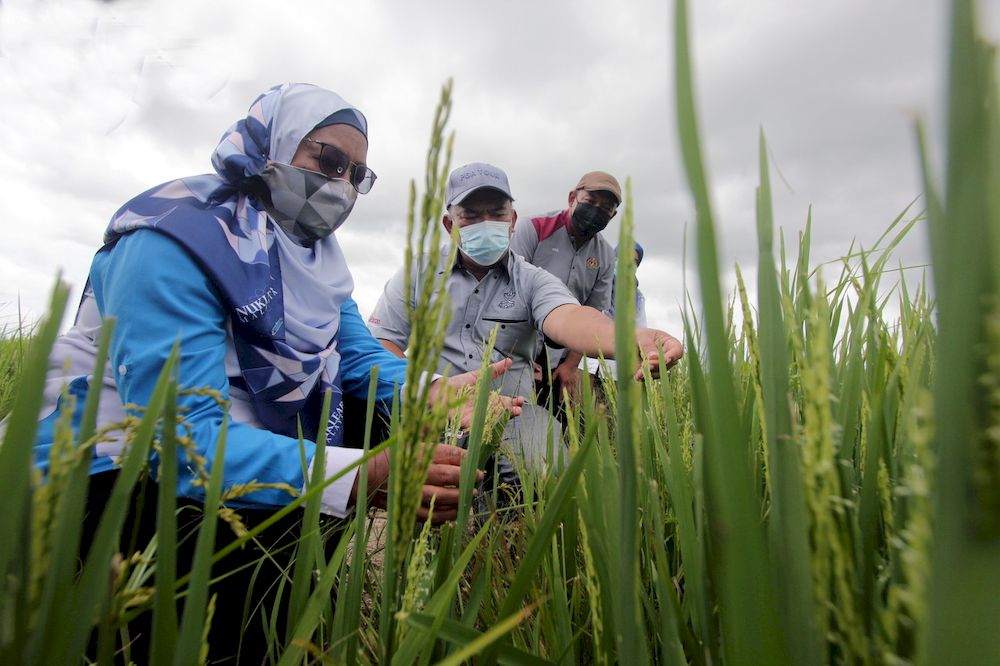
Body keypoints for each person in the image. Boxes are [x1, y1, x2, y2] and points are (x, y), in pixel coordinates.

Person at [21, 84, 518, 663]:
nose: (341, 185)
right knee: (227, 599)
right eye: (327, 160)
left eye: (357, 175)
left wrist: (431, 393)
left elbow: (358, 356)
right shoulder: (174, 239)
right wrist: (361, 476)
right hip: (116, 462)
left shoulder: (316, 261)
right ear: (269, 146)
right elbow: (180, 440)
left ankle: (288, 592)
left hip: (242, 441)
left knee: (377, 415)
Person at [368, 162, 682, 399]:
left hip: (514, 411)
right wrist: (429, 391)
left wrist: (631, 340)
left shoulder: (534, 280)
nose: (486, 223)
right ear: (450, 225)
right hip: (430, 407)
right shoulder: (417, 272)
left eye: (497, 214)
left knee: (544, 458)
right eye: (471, 216)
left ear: (513, 220)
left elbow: (570, 317)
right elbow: (382, 342)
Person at [509, 171, 620, 404]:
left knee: (556, 419)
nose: (596, 211)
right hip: (516, 348)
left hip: (560, 357)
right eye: (590, 202)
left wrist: (570, 365)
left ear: (613, 215)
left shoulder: (605, 256)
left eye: (605, 208)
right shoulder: (534, 228)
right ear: (572, 198)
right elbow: (509, 288)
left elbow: (592, 313)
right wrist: (521, 356)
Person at [583, 242, 648, 380]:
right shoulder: (596, 284)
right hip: (586, 363)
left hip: (616, 370)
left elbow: (640, 330)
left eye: (634, 261)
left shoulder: (637, 298)